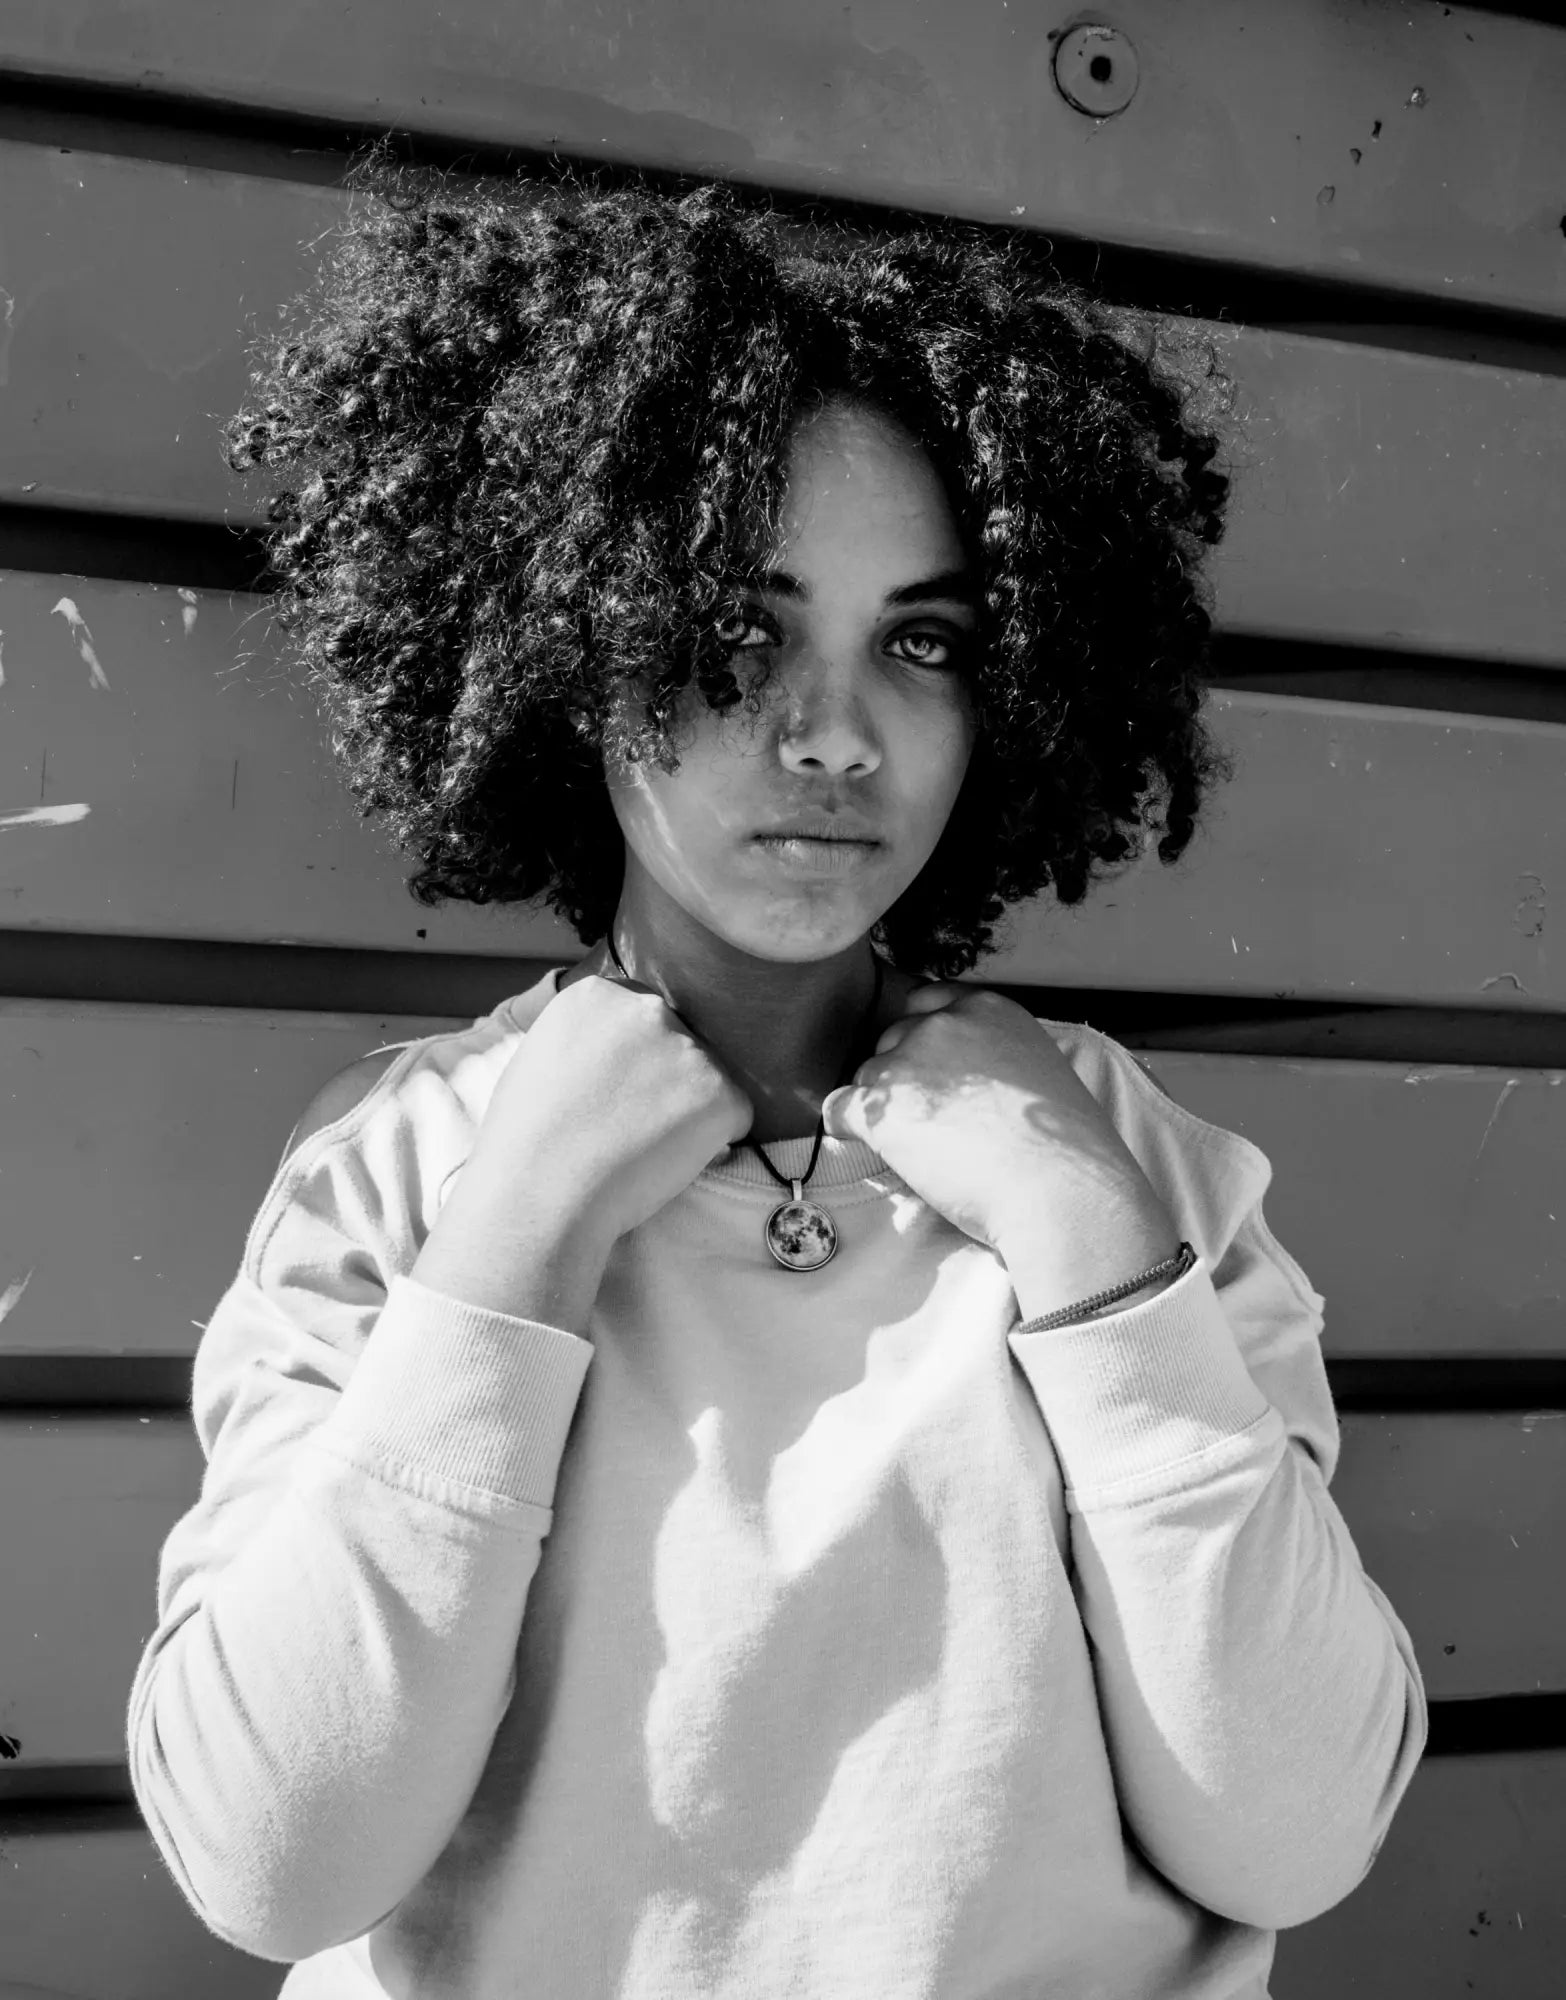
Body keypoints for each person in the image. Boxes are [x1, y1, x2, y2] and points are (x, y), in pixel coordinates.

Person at [127, 148, 1427, 1998]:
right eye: (736, 630)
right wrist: (518, 1233)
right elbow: (274, 1863)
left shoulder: (1125, 1162)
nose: (832, 734)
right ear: (571, 638)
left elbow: (1293, 1834)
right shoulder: (403, 1171)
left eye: (923, 641)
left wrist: (1089, 1249)